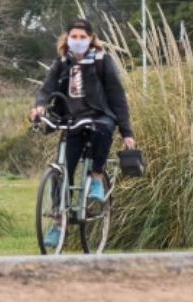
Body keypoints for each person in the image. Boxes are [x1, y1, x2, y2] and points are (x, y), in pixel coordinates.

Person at [30, 18, 136, 248]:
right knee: (61, 170)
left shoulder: (101, 61)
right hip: (72, 120)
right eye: (74, 36)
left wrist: (127, 132)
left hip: (98, 115)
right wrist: (39, 105)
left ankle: (97, 176)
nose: (78, 41)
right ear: (67, 39)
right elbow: (46, 88)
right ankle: (59, 223)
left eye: (83, 37)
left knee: (103, 129)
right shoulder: (62, 62)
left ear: (91, 39)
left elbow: (117, 97)